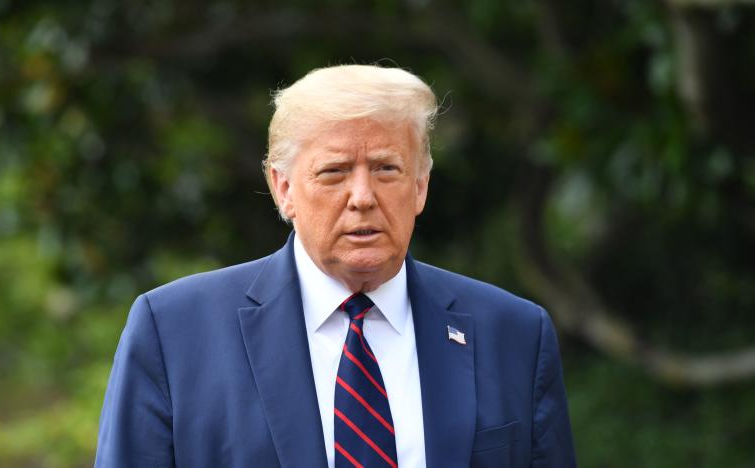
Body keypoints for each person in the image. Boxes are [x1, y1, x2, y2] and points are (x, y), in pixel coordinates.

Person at [95, 64, 576, 468]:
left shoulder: (514, 334)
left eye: (387, 169)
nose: (363, 198)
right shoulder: (174, 333)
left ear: (421, 186)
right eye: (334, 172)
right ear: (283, 188)